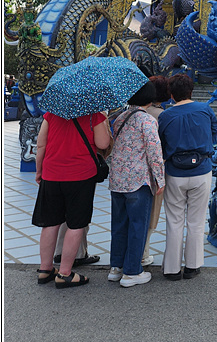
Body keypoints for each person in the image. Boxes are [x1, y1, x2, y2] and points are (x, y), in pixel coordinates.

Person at [32, 109, 111, 288]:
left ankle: (45, 269)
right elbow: (103, 143)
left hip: (51, 173)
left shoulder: (52, 113)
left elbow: (41, 145)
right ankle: (65, 273)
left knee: (50, 223)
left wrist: (39, 170)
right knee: (76, 224)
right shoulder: (94, 114)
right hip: (81, 175)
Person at [157, 74, 217, 281]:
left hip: (175, 171)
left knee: (174, 221)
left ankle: (172, 269)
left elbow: (160, 143)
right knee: (196, 221)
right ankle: (192, 266)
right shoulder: (205, 109)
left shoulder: (166, 116)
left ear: (171, 94)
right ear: (191, 91)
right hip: (201, 169)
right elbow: (215, 132)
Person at [108, 80, 165, 288]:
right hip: (138, 181)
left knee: (119, 224)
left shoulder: (119, 118)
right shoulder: (147, 120)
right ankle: (132, 272)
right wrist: (160, 178)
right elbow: (154, 151)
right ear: (149, 99)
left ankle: (116, 268)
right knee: (138, 225)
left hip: (117, 180)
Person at [140, 74, 171, 266]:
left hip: (133, 171)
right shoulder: (163, 116)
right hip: (155, 170)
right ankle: (143, 253)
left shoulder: (134, 113)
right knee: (152, 212)